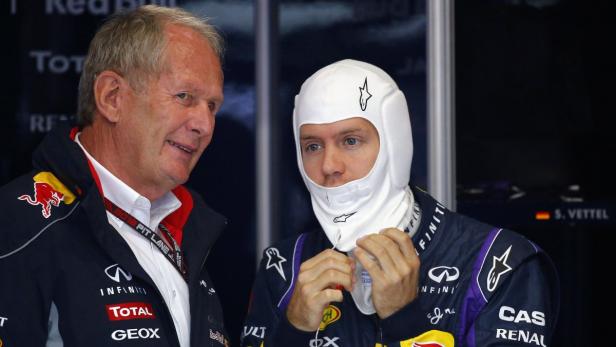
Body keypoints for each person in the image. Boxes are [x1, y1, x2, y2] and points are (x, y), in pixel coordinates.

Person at [241, 59, 559, 347]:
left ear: (396, 143)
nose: (329, 166)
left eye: (350, 141)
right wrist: (293, 333)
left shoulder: (497, 263)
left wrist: (405, 323)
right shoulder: (283, 266)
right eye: (312, 146)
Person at [0, 5, 230, 347]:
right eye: (185, 97)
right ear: (112, 98)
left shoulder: (189, 231)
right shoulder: (17, 227)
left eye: (212, 106)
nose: (205, 125)